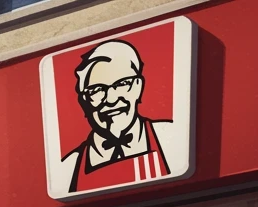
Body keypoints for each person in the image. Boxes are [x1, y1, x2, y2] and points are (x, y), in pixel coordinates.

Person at [57, 39, 178, 195]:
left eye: (122, 83)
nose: (111, 99)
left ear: (138, 87)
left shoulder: (169, 138)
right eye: (96, 90)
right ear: (84, 101)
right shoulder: (70, 166)